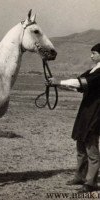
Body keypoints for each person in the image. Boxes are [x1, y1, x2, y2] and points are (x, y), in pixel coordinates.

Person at [49, 43, 100, 193]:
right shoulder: (93, 70)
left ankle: (90, 183)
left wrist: (58, 82)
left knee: (92, 149)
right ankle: (80, 176)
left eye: (94, 53)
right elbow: (77, 85)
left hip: (96, 113)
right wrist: (56, 85)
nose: (91, 56)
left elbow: (79, 83)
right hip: (87, 111)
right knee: (81, 144)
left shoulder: (99, 73)